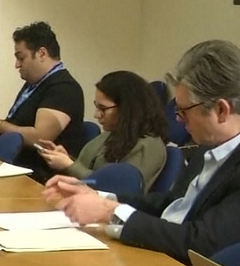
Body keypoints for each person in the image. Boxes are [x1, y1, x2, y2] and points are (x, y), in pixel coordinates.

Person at [43, 40, 240, 265]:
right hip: (167, 260)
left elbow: (204, 244)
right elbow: (172, 205)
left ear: (221, 110)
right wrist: (100, 197)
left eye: (184, 111)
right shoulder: (214, 143)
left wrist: (109, 212)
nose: (179, 121)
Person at [0, 22, 85, 181]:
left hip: (39, 177)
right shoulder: (34, 84)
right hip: (14, 168)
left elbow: (40, 137)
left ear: (42, 54)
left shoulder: (64, 88)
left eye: (21, 58)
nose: (17, 65)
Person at [36, 71, 169, 192]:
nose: (97, 115)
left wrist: (69, 165)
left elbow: (115, 190)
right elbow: (92, 171)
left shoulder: (149, 146)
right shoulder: (112, 134)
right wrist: (66, 158)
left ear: (126, 108)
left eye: (103, 109)